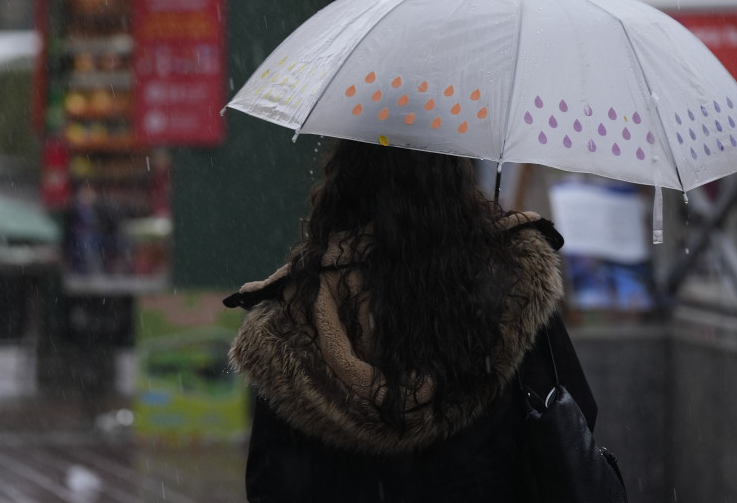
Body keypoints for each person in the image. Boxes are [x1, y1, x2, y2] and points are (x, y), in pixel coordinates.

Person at [225, 139, 598, 503]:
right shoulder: (511, 286)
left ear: (344, 182)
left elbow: (270, 483)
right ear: (457, 178)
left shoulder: (296, 317)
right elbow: (573, 426)